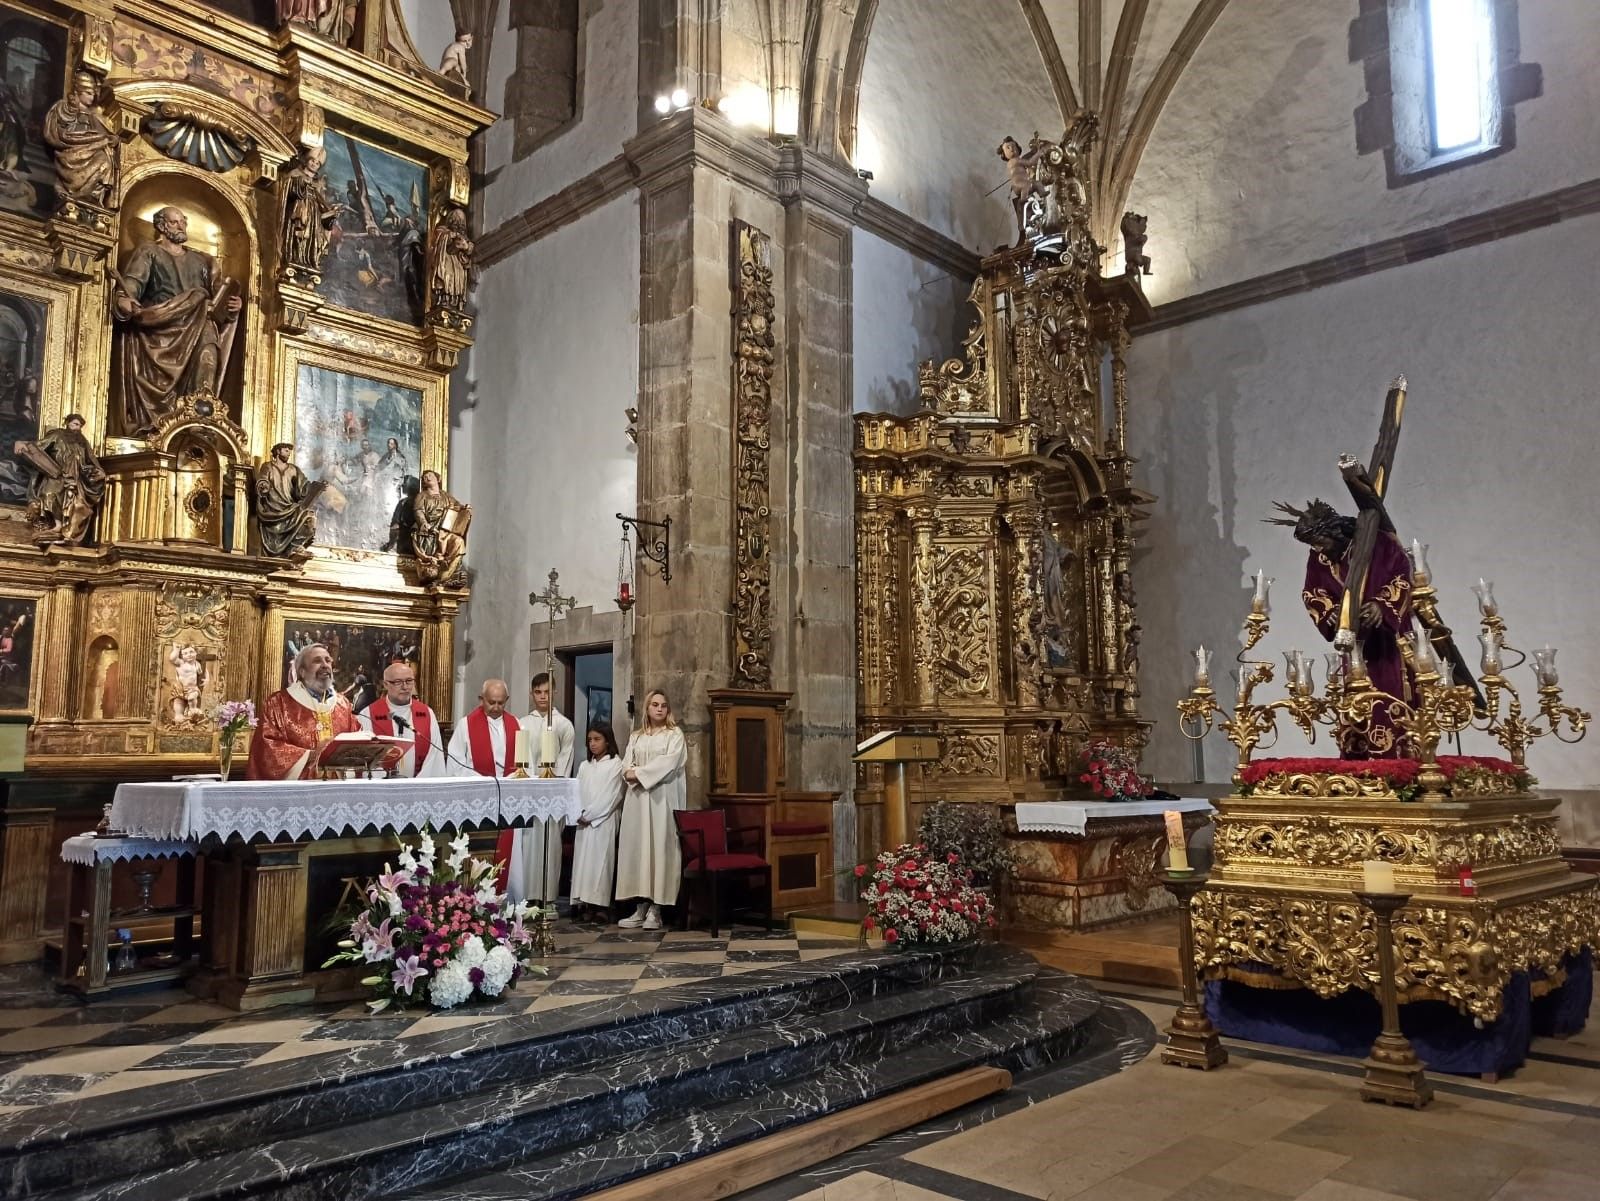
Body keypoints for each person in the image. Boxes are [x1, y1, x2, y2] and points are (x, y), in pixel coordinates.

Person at [1271, 497, 1413, 757]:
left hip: (1390, 643)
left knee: (1390, 697)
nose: (1318, 549)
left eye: (1321, 542)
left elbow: (1403, 576)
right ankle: (1358, 763)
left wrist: (1381, 606)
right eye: (1313, 545)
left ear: (1335, 532)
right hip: (1354, 645)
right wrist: (1331, 613)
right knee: (1354, 704)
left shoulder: (1380, 544)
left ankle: (1396, 765)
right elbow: (1313, 592)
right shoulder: (1320, 557)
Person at [111, 206, 243, 434]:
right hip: (162, 327)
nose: (181, 226)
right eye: (175, 222)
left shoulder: (202, 261)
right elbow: (132, 284)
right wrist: (124, 299)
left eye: (183, 221)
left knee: (208, 358)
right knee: (161, 385)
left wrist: (232, 307)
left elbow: (219, 295)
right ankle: (160, 426)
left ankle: (199, 426)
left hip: (200, 322)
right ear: (161, 226)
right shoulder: (149, 252)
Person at [498, 672, 575, 906]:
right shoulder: (522, 723)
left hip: (551, 794)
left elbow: (565, 759)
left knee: (550, 848)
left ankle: (548, 899)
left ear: (555, 692)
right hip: (528, 794)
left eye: (547, 692)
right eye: (538, 692)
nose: (543, 696)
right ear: (531, 694)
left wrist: (553, 785)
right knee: (528, 847)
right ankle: (527, 898)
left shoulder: (563, 724)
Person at [614, 689, 687, 930]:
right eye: (654, 704)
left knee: (659, 850)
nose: (659, 709)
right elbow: (626, 763)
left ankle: (657, 909)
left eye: (663, 705)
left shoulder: (674, 735)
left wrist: (639, 773)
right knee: (638, 852)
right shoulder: (637, 736)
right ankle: (640, 906)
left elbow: (668, 763)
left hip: (660, 801)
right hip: (637, 801)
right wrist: (629, 772)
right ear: (646, 708)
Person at [246, 643, 360, 779]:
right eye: (317, 661)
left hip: (339, 789)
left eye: (328, 660)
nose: (325, 665)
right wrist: (312, 754)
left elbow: (356, 739)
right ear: (302, 671)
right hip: (297, 790)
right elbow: (266, 749)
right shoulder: (278, 703)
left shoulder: (343, 704)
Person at [21, 413, 105, 546]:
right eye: (75, 424)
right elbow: (39, 447)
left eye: (79, 425)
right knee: (50, 495)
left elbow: (92, 459)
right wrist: (26, 447)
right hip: (57, 474)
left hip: (77, 478)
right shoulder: (57, 435)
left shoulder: (83, 442)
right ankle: (56, 524)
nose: (77, 428)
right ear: (68, 423)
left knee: (75, 503)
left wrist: (98, 470)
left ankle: (67, 530)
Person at [570, 723, 624, 921]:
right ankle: (585, 903)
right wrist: (577, 812)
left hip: (603, 821)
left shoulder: (616, 764)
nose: (592, 744)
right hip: (583, 821)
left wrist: (591, 815)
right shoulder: (585, 766)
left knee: (601, 862)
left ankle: (600, 905)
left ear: (607, 741)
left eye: (597, 739)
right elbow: (576, 792)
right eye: (590, 740)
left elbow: (612, 795)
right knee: (584, 863)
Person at [357, 661, 443, 777]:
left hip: (418, 789)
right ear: (386, 684)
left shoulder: (427, 713)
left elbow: (434, 757)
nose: (405, 687)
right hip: (382, 789)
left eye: (409, 681)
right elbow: (364, 756)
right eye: (398, 682)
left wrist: (417, 787)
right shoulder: (367, 714)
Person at [42, 72, 116, 207]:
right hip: (71, 151)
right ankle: (75, 192)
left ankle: (91, 194)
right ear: (77, 92)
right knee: (101, 157)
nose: (92, 97)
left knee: (103, 159)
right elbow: (58, 132)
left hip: (91, 151)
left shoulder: (94, 116)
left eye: (93, 94)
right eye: (88, 93)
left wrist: (110, 139)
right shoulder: (63, 107)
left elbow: (103, 134)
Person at [446, 678, 520, 777]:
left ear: (506, 699)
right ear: (481, 699)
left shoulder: (516, 724)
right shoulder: (465, 724)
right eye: (492, 702)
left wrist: (512, 777)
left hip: (509, 786)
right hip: (476, 785)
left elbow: (526, 763)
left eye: (501, 703)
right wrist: (480, 779)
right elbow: (455, 762)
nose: (496, 707)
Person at [256, 442, 317, 556]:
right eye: (286, 450)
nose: (289, 453)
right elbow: (263, 479)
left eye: (290, 451)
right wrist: (263, 485)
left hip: (289, 506)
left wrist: (314, 488)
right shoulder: (268, 466)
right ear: (278, 451)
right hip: (272, 507)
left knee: (309, 517)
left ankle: (294, 547)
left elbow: (303, 487)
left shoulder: (294, 469)